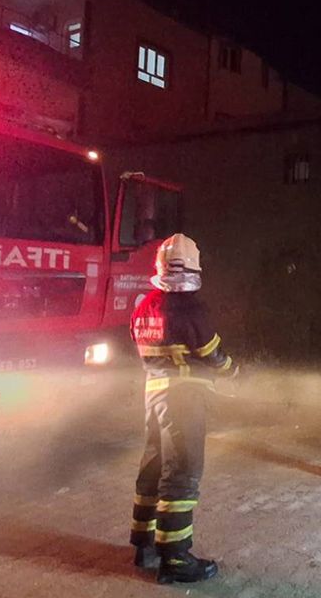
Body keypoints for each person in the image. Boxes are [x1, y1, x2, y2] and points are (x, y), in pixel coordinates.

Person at [130, 234, 235, 583]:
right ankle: (175, 558)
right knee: (182, 473)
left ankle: (143, 544)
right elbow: (211, 352)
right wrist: (233, 371)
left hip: (154, 395)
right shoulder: (191, 309)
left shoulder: (144, 306)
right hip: (184, 400)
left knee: (153, 467)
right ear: (193, 267)